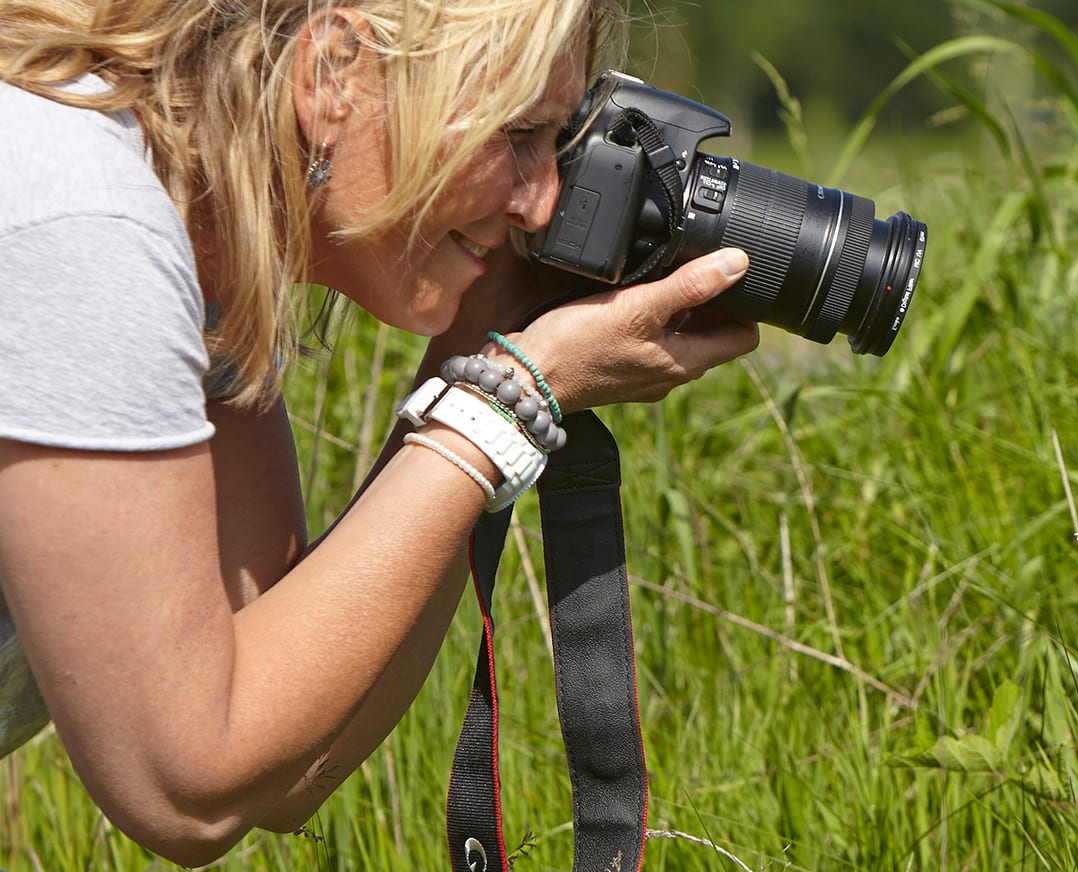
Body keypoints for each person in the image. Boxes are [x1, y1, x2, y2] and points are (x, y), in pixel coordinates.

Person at [0, 1, 758, 865]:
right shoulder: (84, 226)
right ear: (332, 75)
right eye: (517, 135)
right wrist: (505, 404)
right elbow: (184, 788)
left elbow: (285, 765)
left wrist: (485, 353)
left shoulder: (197, 226)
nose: (542, 204)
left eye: (559, 144)